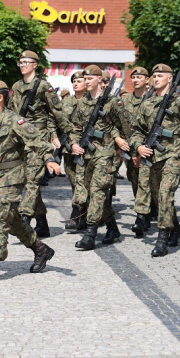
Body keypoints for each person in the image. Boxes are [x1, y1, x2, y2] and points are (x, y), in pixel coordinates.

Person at [0, 80, 59, 282]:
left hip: (11, 179)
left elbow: (37, 140)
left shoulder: (14, 121)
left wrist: (49, 160)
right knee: (13, 220)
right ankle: (41, 249)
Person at [131, 64, 180, 257]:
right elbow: (136, 131)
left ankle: (162, 238)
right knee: (158, 197)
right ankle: (176, 228)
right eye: (154, 75)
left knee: (165, 194)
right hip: (152, 157)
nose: (156, 79)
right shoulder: (146, 103)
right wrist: (138, 147)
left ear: (170, 78)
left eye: (160, 75)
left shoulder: (179, 102)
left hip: (172, 155)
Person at [7, 50, 74, 237]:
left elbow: (58, 112)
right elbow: (11, 114)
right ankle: (42, 223)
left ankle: (24, 218)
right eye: (20, 62)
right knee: (26, 180)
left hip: (38, 140)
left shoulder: (44, 86)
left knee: (32, 181)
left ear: (35, 65)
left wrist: (70, 135)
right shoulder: (17, 86)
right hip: (21, 141)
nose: (22, 65)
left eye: (26, 62)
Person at [69, 65, 132, 250]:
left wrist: (119, 140)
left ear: (99, 79)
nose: (86, 82)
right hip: (87, 154)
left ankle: (90, 234)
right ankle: (112, 228)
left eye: (90, 79)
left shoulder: (112, 103)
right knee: (96, 195)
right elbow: (75, 128)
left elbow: (126, 126)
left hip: (106, 154)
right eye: (85, 79)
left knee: (97, 191)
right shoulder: (82, 102)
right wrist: (73, 143)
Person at [62, 71, 87, 230]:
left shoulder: (90, 102)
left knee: (81, 182)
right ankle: (83, 212)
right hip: (68, 149)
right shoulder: (65, 102)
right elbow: (59, 122)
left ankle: (76, 214)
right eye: (74, 81)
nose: (76, 83)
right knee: (74, 182)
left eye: (80, 80)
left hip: (83, 149)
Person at [121, 67, 150, 201]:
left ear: (147, 79)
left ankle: (152, 209)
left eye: (139, 77)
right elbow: (119, 125)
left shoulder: (153, 100)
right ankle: (142, 210)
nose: (136, 80)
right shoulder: (125, 101)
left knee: (151, 181)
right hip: (130, 147)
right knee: (134, 178)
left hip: (150, 148)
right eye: (133, 77)